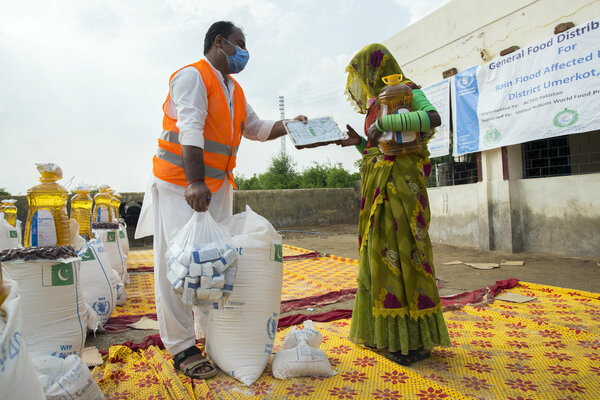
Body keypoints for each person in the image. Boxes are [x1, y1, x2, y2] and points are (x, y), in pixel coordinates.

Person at [134, 21, 306, 379]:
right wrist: (195, 181)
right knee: (177, 265)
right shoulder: (192, 77)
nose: (245, 52)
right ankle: (181, 347)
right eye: (240, 43)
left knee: (213, 264)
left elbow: (255, 128)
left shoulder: (234, 89)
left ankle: (207, 333)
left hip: (217, 188)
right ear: (219, 42)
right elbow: (191, 127)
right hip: (182, 186)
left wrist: (289, 124)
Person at [336, 43, 451, 365]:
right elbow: (381, 149)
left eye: (364, 76)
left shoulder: (409, 91)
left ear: (377, 69)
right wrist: (359, 143)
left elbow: (432, 117)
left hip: (404, 186)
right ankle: (384, 335)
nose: (362, 86)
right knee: (378, 256)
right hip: (377, 190)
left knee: (407, 255)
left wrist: (385, 124)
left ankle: (416, 342)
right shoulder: (376, 105)